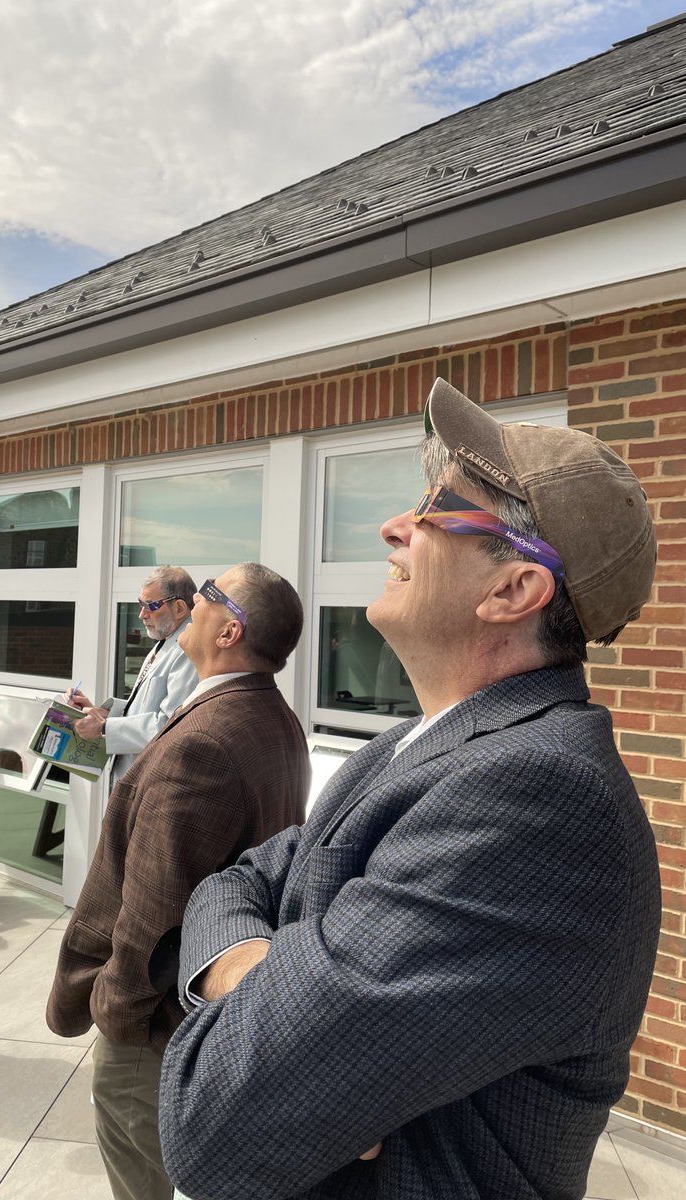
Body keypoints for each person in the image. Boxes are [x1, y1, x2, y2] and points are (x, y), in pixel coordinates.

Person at [159, 379, 662, 1200]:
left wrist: (269, 1028)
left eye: (436, 507)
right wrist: (264, 985)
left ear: (513, 591)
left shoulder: (538, 800)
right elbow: (241, 877)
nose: (394, 525)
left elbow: (214, 1117)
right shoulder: (415, 746)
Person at [47, 562, 310, 1200]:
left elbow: (158, 908)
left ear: (229, 632)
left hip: (158, 1021)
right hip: (200, 1009)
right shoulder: (269, 716)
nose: (194, 602)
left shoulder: (206, 742)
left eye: (209, 596)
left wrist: (119, 1010)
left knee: (144, 1166)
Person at [65, 565, 199, 782]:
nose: (141, 614)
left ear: (180, 608)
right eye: (141, 604)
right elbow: (147, 708)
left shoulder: (186, 649)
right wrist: (101, 714)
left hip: (152, 781)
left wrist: (104, 727)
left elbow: (169, 726)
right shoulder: (165, 643)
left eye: (151, 606)